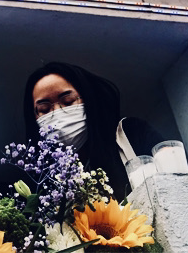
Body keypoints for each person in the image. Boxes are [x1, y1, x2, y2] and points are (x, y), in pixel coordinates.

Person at [22, 62, 163, 199]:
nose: (57, 113)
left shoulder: (132, 133)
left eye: (68, 101)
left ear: (86, 99)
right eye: (44, 109)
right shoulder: (43, 178)